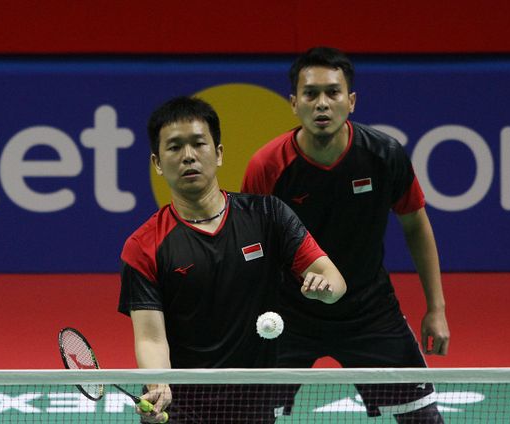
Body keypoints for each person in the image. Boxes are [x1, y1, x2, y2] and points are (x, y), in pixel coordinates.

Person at [241, 46, 450, 422]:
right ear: (293, 103)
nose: (322, 104)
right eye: (310, 94)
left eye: (333, 93)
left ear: (350, 101)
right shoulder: (267, 166)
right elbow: (250, 245)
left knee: (424, 418)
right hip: (288, 313)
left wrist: (436, 309)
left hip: (368, 309)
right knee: (248, 416)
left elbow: (416, 226)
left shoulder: (384, 155)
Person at [118, 96, 346, 423]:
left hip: (253, 405)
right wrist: (159, 384)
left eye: (199, 144)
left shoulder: (268, 216)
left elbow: (334, 280)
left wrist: (324, 288)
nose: (188, 156)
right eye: (174, 147)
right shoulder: (144, 246)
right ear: (157, 162)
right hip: (183, 408)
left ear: (219, 153)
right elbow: (151, 337)